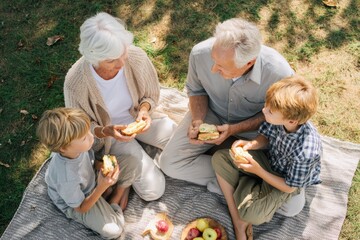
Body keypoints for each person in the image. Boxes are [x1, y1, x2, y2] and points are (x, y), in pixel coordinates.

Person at [159, 18, 294, 189]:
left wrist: (234, 129)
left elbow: (278, 115)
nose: (214, 69)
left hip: (257, 130)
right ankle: (240, 183)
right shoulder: (199, 53)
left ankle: (246, 179)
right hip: (212, 112)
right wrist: (198, 121)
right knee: (169, 163)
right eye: (213, 59)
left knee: (286, 187)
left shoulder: (279, 74)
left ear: (249, 63)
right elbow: (196, 90)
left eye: (221, 66)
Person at [64, 12, 177, 209]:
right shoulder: (75, 83)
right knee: (154, 190)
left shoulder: (135, 56)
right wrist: (106, 131)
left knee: (183, 139)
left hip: (139, 120)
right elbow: (80, 128)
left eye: (122, 54)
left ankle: (132, 163)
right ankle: (126, 176)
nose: (121, 63)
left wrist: (144, 110)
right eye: (111, 61)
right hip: (109, 136)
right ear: (92, 58)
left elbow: (151, 94)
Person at [212, 76, 322, 240]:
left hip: (285, 180)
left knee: (252, 214)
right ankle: (238, 219)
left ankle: (247, 190)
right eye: (266, 106)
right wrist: (251, 144)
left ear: (291, 120)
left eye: (269, 111)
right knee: (219, 158)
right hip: (270, 161)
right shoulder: (278, 119)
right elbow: (266, 137)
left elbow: (289, 187)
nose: (264, 111)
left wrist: (258, 170)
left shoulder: (306, 151)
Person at [37, 107, 124, 239]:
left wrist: (101, 166)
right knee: (113, 231)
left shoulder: (76, 148)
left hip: (90, 183)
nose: (91, 137)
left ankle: (108, 197)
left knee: (131, 163)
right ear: (64, 148)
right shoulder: (66, 178)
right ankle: (117, 196)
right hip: (78, 203)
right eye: (84, 138)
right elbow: (81, 208)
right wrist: (101, 187)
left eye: (88, 131)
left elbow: (91, 162)